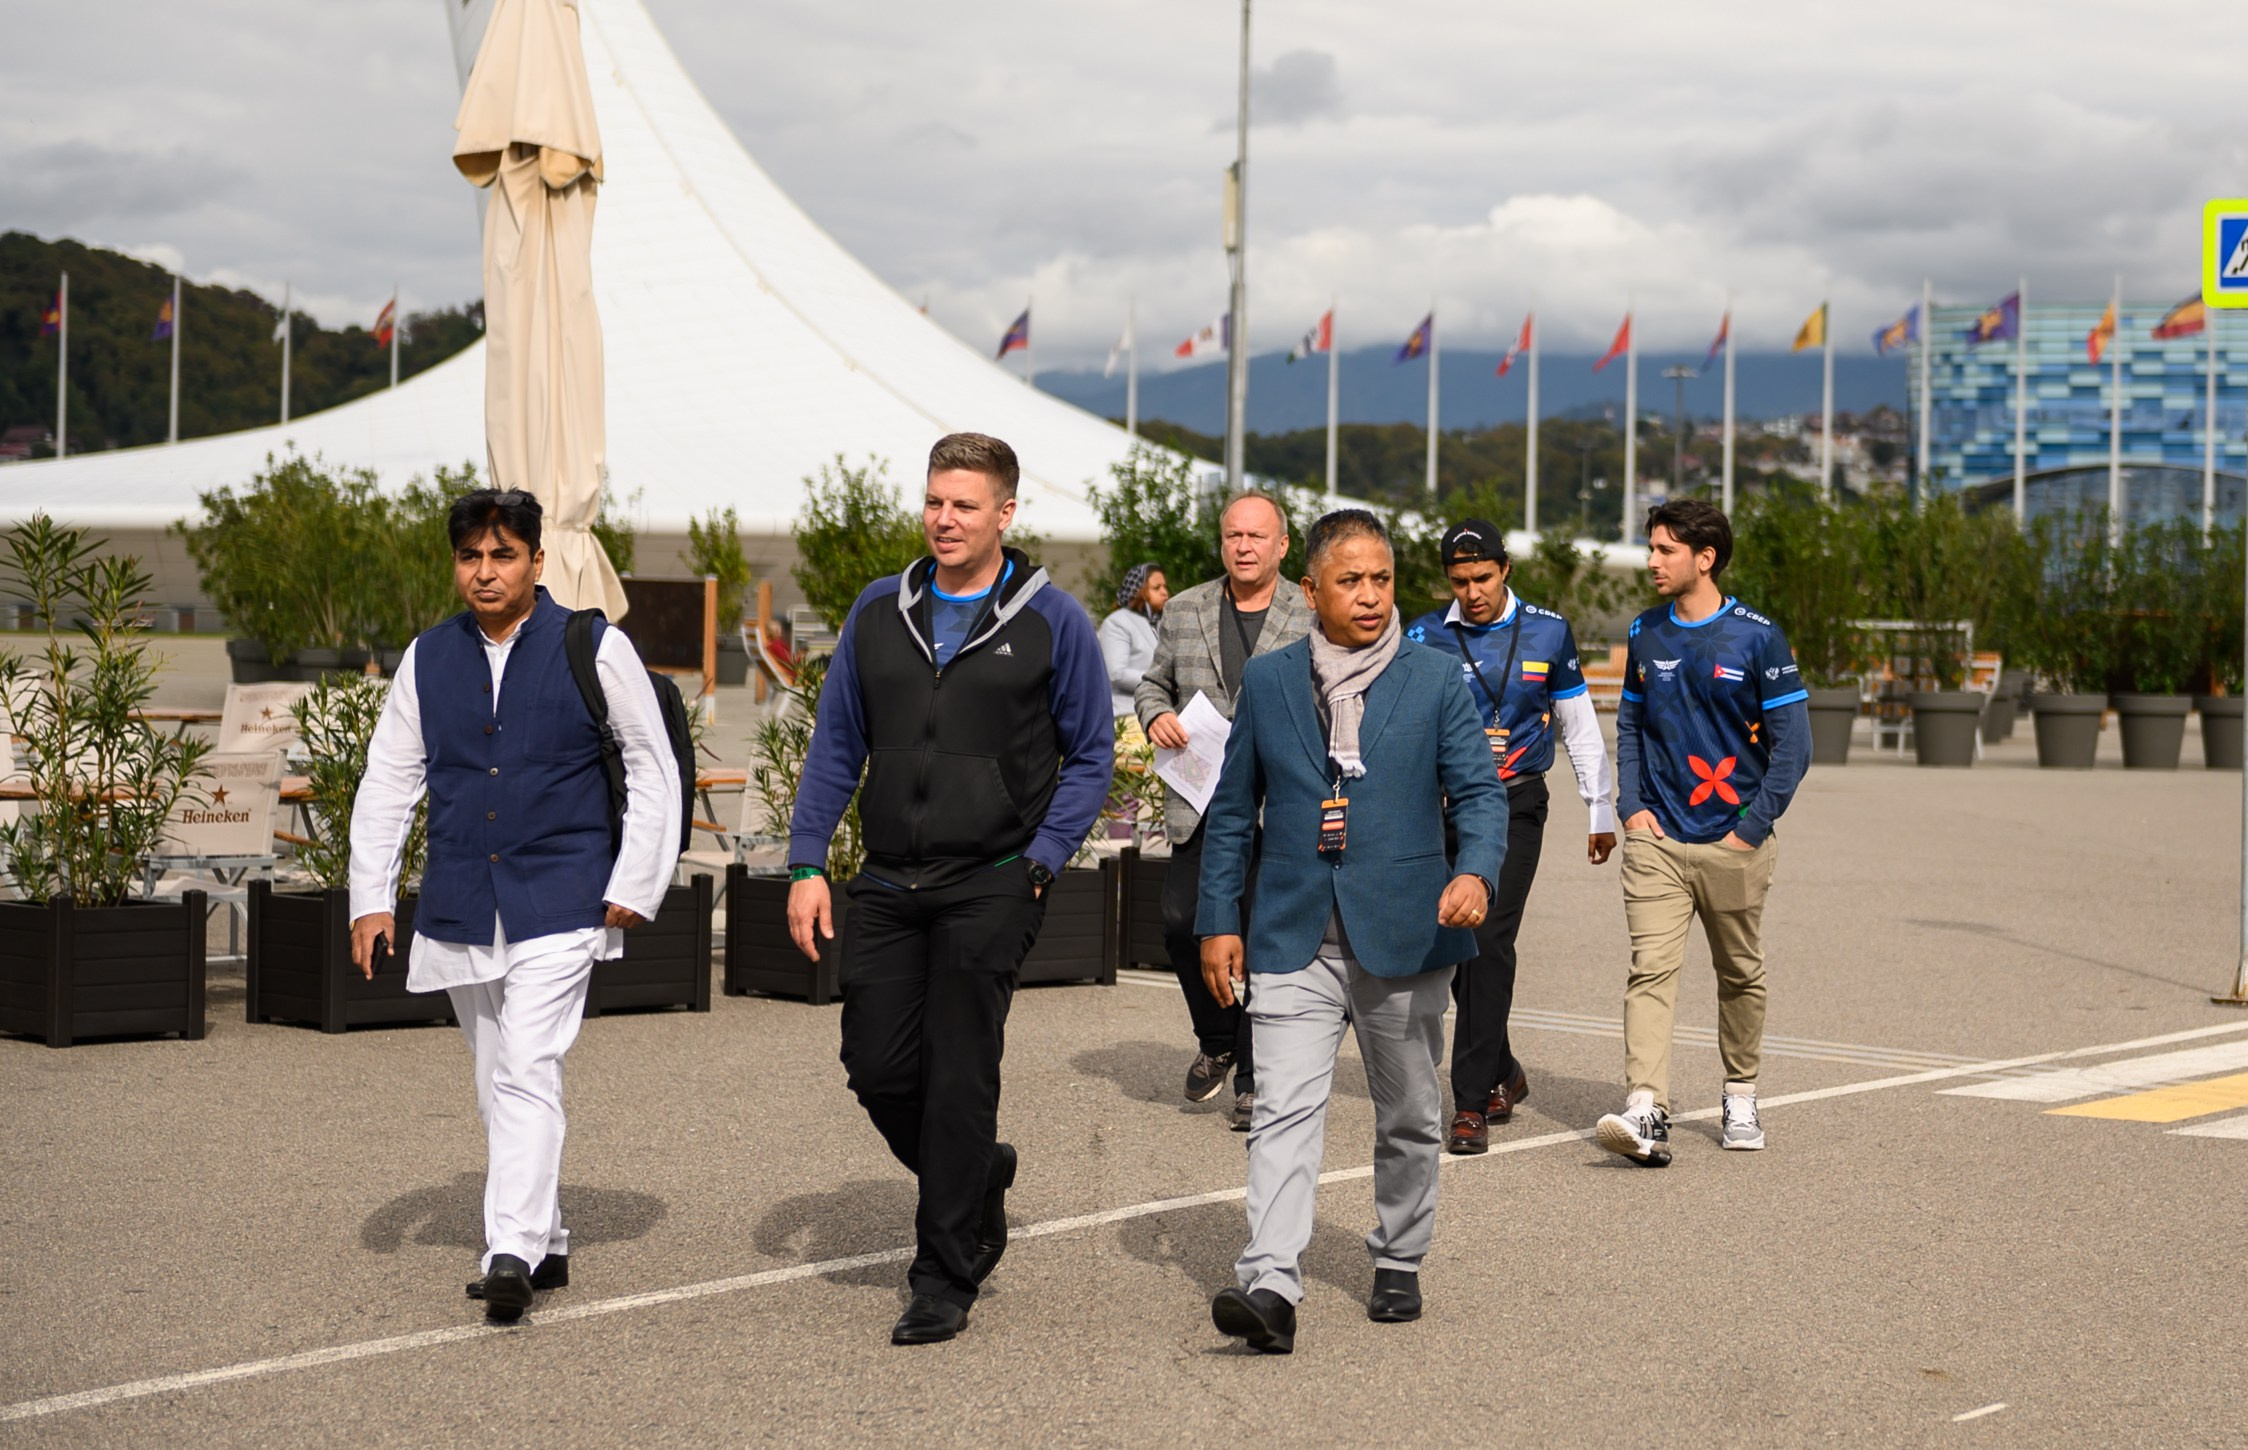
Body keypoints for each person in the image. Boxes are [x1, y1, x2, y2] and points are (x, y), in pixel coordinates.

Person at [785, 432, 1112, 1345]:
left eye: (964, 505)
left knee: (962, 1072)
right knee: (877, 1066)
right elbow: (837, 745)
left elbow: (1090, 755)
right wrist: (807, 863)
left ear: (1006, 514)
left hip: (994, 879)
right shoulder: (878, 610)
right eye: (935, 501)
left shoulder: (1055, 622)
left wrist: (1041, 859)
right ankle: (976, 1176)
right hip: (887, 878)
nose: (944, 519)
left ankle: (942, 1273)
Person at [348, 489, 681, 1324]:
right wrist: (370, 898)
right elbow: (388, 779)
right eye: (470, 557)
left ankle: (509, 1252)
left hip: (565, 895)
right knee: (496, 1075)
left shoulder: (593, 646)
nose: (485, 572)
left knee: (530, 1062)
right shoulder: (428, 657)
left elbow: (652, 766)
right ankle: (548, 1238)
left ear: (538, 560)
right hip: (463, 899)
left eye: (503, 556)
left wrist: (635, 883)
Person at [1197, 508, 1506, 1353]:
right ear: (1311, 591)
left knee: (1407, 1114)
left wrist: (1474, 871)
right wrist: (1218, 918)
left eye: (1383, 579)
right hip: (1293, 932)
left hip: (1406, 933)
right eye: (1351, 580)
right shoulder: (1267, 683)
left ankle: (1400, 1257)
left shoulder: (1435, 677)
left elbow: (1479, 795)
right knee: (1284, 1113)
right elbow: (1231, 815)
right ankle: (1269, 1283)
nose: (1370, 597)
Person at [1595, 497, 1810, 1167]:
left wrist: (1749, 829)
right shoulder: (1645, 632)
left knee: (1739, 971)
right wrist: (1631, 805)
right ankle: (1646, 1106)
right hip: (1657, 836)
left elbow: (1794, 746)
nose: (1651, 560)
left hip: (1732, 839)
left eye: (1664, 549)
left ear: (1704, 558)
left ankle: (1740, 1092)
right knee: (1649, 970)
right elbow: (1630, 724)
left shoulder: (1757, 636)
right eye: (1651, 547)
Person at [1403, 520, 1617, 1155]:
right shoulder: (1422, 634)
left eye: (1483, 578)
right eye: (1460, 581)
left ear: (1505, 571)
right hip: (1440, 806)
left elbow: (1578, 724)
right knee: (1453, 941)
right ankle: (1502, 1069)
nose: (1472, 592)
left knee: (1488, 937)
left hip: (1516, 801)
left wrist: (1599, 808)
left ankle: (1469, 1103)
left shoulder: (1549, 631)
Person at [1135, 493, 1313, 1130]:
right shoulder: (1184, 608)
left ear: (1282, 546)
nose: (1244, 546)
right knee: (1182, 923)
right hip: (1202, 794)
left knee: (1265, 938)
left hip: (1284, 803)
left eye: (1257, 536)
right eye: (1233, 535)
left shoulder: (1311, 609)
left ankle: (1255, 1080)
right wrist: (1155, 714)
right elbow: (1153, 683)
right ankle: (1218, 1037)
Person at [1099, 562, 1168, 730]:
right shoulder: (1117, 622)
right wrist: (1163, 683)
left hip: (1158, 716)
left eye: (1165, 587)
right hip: (1126, 718)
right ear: (1140, 592)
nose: (1165, 593)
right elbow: (1116, 673)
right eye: (1156, 588)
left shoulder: (1160, 623)